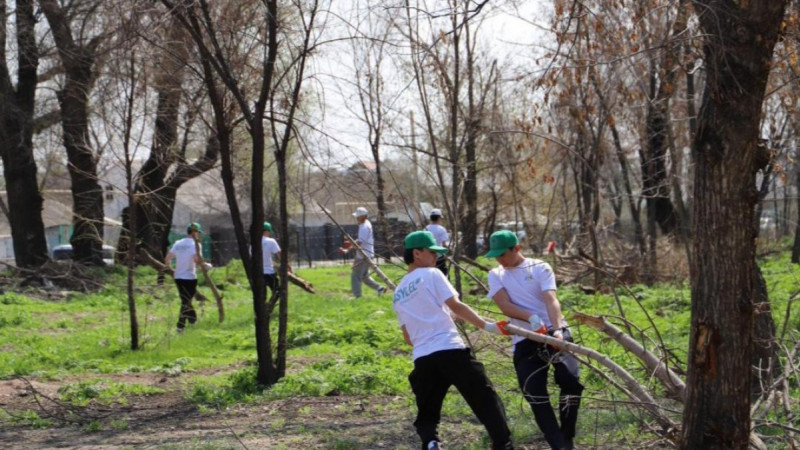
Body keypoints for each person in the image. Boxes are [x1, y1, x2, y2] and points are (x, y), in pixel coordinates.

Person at [393, 230, 515, 450]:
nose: (436, 257)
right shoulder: (432, 274)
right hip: (450, 349)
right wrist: (487, 326)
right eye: (432, 252)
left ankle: (431, 442)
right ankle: (502, 444)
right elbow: (456, 306)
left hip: (423, 358)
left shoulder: (398, 292)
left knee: (428, 410)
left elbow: (408, 338)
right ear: (417, 253)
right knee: (484, 398)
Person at [486, 230, 583, 450]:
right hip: (524, 338)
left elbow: (551, 299)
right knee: (533, 390)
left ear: (516, 248)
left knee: (570, 380)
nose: (499, 260)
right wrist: (530, 317)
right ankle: (558, 444)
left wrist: (557, 330)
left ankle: (567, 436)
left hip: (552, 330)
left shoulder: (539, 267)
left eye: (503, 254)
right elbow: (504, 305)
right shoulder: (496, 274)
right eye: (495, 256)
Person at [339, 206, 386, 298]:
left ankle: (357, 296)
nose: (356, 218)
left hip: (363, 256)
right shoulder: (366, 224)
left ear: (363, 216)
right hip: (368, 254)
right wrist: (351, 242)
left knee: (355, 276)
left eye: (358, 216)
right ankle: (379, 288)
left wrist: (347, 249)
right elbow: (361, 240)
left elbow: (360, 242)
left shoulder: (364, 227)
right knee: (364, 276)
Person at [165, 222, 204, 332]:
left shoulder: (178, 243)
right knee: (186, 302)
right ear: (195, 232)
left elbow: (168, 259)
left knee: (186, 300)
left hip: (178, 277)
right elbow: (197, 260)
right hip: (190, 277)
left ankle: (193, 320)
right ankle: (180, 326)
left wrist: (172, 269)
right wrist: (204, 265)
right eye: (198, 233)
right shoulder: (196, 245)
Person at [261, 221, 291, 299]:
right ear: (267, 231)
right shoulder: (271, 241)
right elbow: (280, 254)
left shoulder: (254, 243)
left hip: (258, 273)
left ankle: (263, 306)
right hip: (269, 272)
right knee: (277, 292)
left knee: (261, 296)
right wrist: (287, 265)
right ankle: (270, 305)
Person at [425, 208, 450, 277]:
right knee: (443, 275)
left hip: (428, 257)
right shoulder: (441, 229)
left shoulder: (426, 229)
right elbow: (444, 244)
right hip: (439, 257)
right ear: (439, 218)